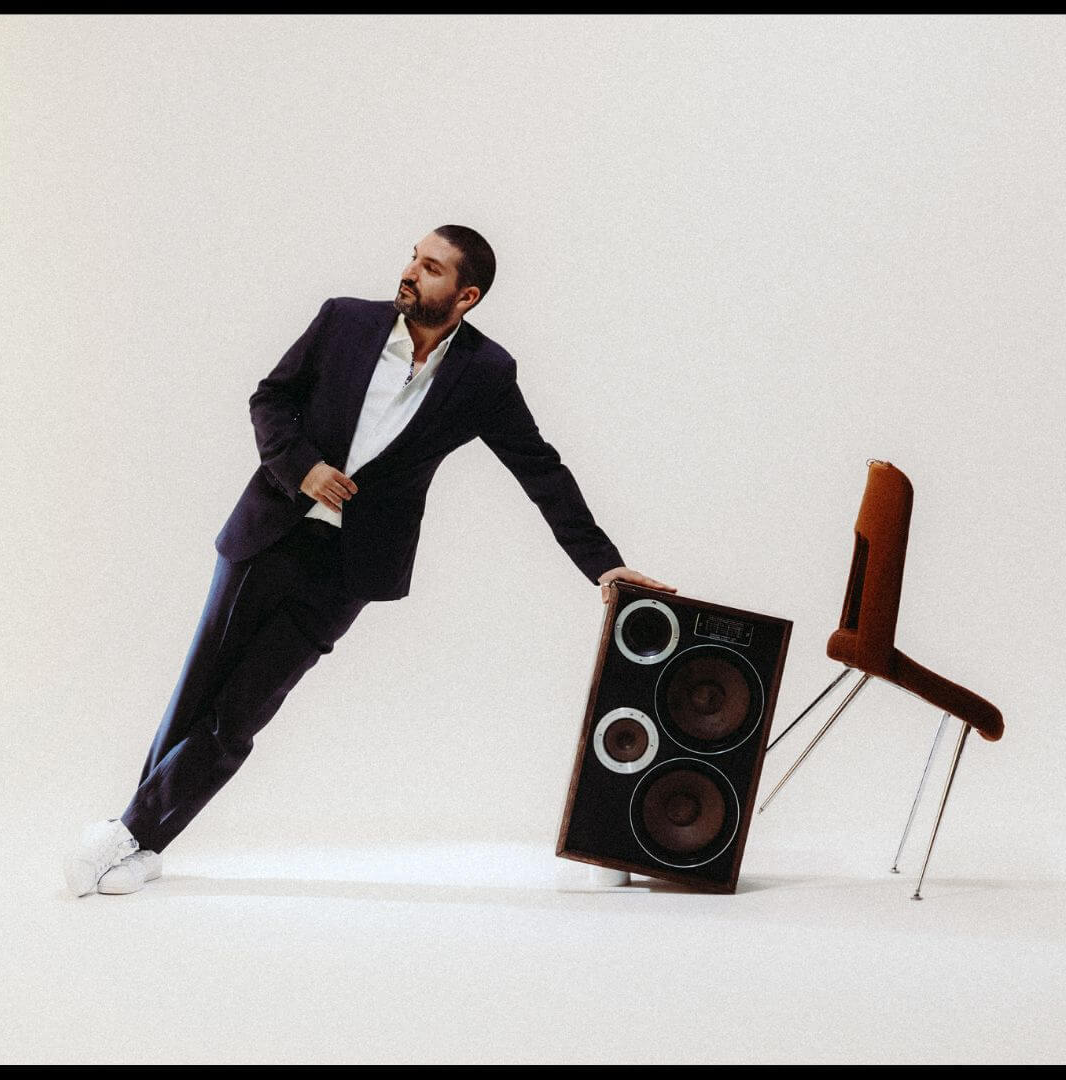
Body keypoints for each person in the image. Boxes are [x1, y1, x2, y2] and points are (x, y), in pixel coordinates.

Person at [64, 225, 676, 896]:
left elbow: (541, 470)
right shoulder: (344, 322)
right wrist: (302, 468)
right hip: (268, 536)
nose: (410, 271)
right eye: (414, 257)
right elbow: (270, 398)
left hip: (346, 572)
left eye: (432, 267)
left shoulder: (484, 374)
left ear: (466, 296)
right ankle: (142, 839)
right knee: (199, 689)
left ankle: (128, 835)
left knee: (241, 712)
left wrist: (602, 565)